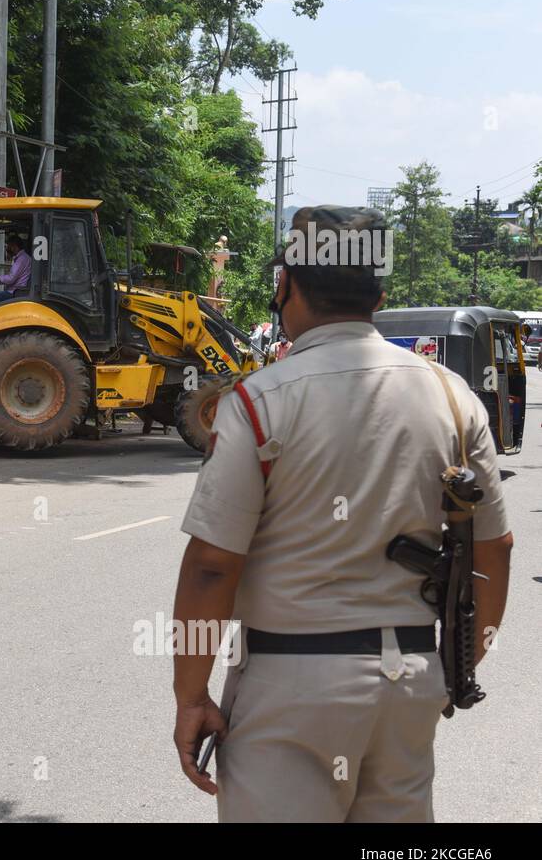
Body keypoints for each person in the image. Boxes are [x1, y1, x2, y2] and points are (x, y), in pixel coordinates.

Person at [170, 206, 513, 822]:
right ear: (380, 292)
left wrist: (189, 695)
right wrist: (459, 663)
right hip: (408, 681)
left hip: (289, 687)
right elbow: (496, 549)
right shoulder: (450, 396)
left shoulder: (259, 401)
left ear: (284, 287)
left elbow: (212, 567)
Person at [0, 232, 32, 307]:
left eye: (8, 246)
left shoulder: (21, 260)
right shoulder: (23, 258)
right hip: (15, 291)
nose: (7, 249)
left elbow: (10, 279)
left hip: (14, 293)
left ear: (14, 246)